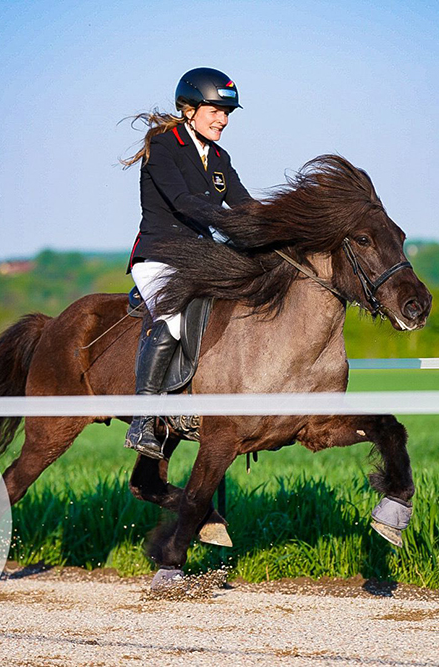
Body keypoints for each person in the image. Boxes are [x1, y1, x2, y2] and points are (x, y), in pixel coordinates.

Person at [121, 67, 253, 459]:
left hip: (201, 258)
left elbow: (245, 205)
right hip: (160, 255)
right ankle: (142, 420)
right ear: (189, 108)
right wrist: (230, 224)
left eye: (228, 113)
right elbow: (182, 202)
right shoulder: (163, 146)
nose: (223, 120)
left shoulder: (219, 157)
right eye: (216, 110)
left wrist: (275, 230)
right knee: (173, 317)